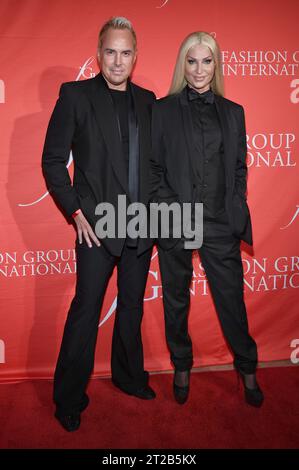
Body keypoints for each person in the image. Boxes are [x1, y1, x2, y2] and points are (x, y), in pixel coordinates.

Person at [42, 17, 156, 432]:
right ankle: (69, 398)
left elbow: (154, 165)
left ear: (135, 56)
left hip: (142, 227)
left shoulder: (149, 100)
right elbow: (53, 160)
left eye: (126, 53)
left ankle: (128, 377)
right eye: (111, 51)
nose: (118, 60)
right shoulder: (75, 96)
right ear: (99, 53)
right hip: (96, 227)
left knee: (129, 310)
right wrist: (75, 212)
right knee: (85, 311)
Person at [150, 31, 264, 407]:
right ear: (183, 64)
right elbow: (154, 168)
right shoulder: (162, 110)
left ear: (216, 64)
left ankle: (247, 367)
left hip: (219, 223)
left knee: (231, 300)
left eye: (207, 61)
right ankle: (181, 363)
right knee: (177, 300)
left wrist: (234, 209)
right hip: (175, 220)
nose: (199, 70)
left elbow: (238, 168)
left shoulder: (234, 113)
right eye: (192, 61)